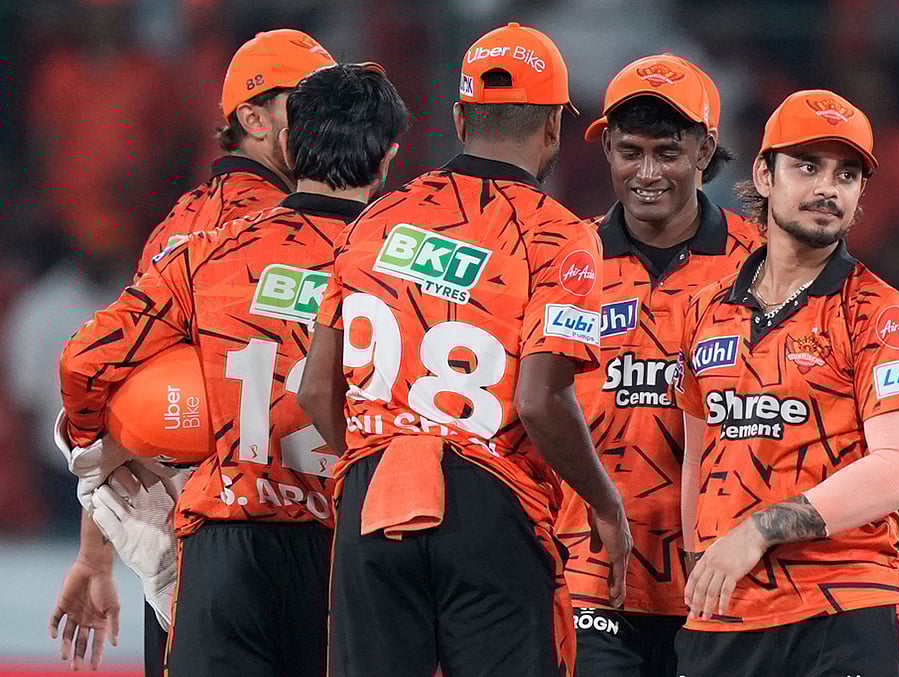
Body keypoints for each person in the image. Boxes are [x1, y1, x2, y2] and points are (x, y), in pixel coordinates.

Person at [297, 22, 631, 677]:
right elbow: (540, 401)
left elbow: (314, 389)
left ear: (459, 118)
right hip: (491, 500)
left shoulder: (375, 219)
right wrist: (604, 502)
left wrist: (377, 455)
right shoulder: (560, 235)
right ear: (553, 127)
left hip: (373, 496)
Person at [57, 62, 409, 677]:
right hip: (347, 541)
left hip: (225, 540)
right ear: (386, 159)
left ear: (290, 144)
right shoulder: (398, 269)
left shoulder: (206, 252)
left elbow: (84, 363)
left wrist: (97, 466)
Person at [672, 89, 899, 676]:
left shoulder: (879, 314)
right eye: (808, 167)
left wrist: (759, 531)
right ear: (764, 175)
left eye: (847, 174)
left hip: (845, 607)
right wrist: (699, 560)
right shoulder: (704, 310)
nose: (828, 188)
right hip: (726, 619)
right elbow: (697, 454)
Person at [553, 53, 760, 677]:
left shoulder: (760, 266)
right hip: (590, 573)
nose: (646, 173)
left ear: (705, 150)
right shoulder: (566, 259)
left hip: (726, 579)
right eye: (629, 152)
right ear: (606, 149)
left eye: (668, 153)